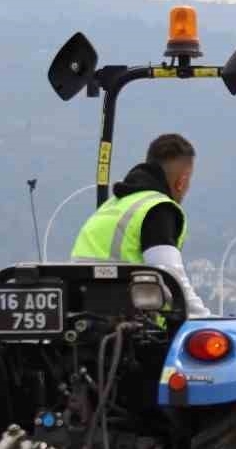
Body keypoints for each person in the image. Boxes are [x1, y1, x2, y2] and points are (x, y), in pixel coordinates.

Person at [72, 133, 211, 317]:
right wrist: (205, 319)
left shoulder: (113, 205)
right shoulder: (157, 210)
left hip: (83, 318)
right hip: (130, 325)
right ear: (181, 182)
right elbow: (171, 279)